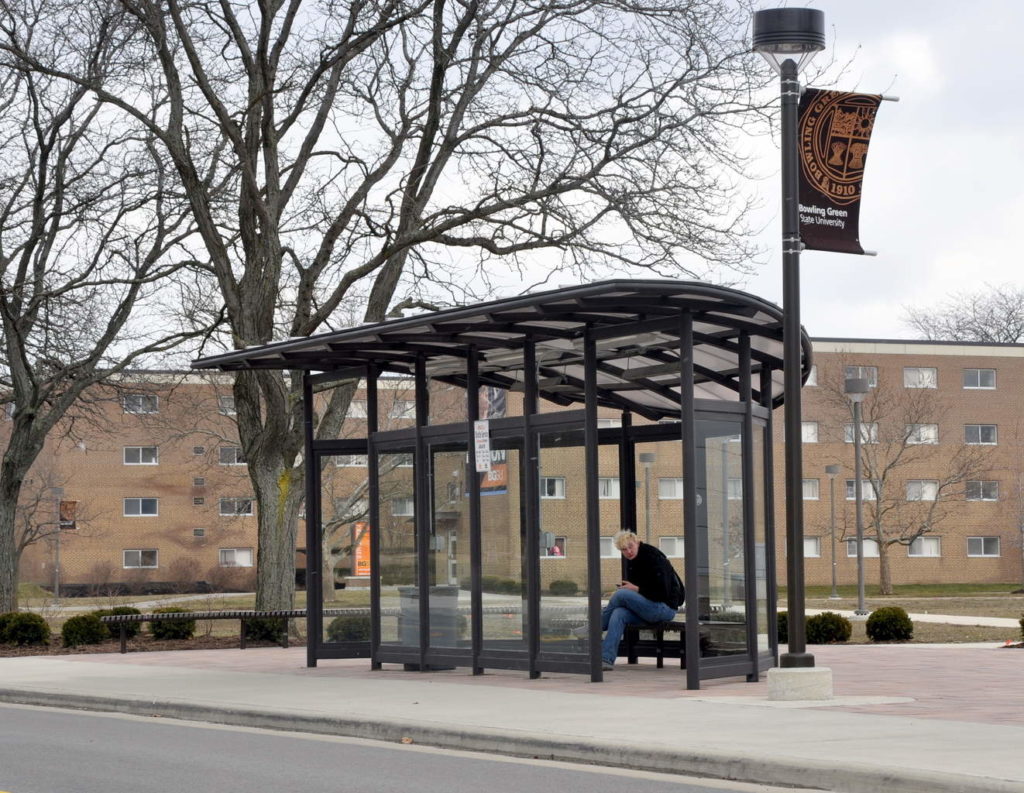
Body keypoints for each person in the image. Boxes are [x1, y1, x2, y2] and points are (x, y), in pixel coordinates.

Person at [599, 529, 685, 671]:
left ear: (637, 542)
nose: (629, 552)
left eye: (630, 546)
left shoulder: (653, 557)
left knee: (621, 595)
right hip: (648, 610)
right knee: (618, 613)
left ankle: (594, 627)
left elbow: (662, 592)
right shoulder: (634, 561)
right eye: (624, 550)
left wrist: (636, 589)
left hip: (665, 609)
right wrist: (633, 589)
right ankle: (606, 659)